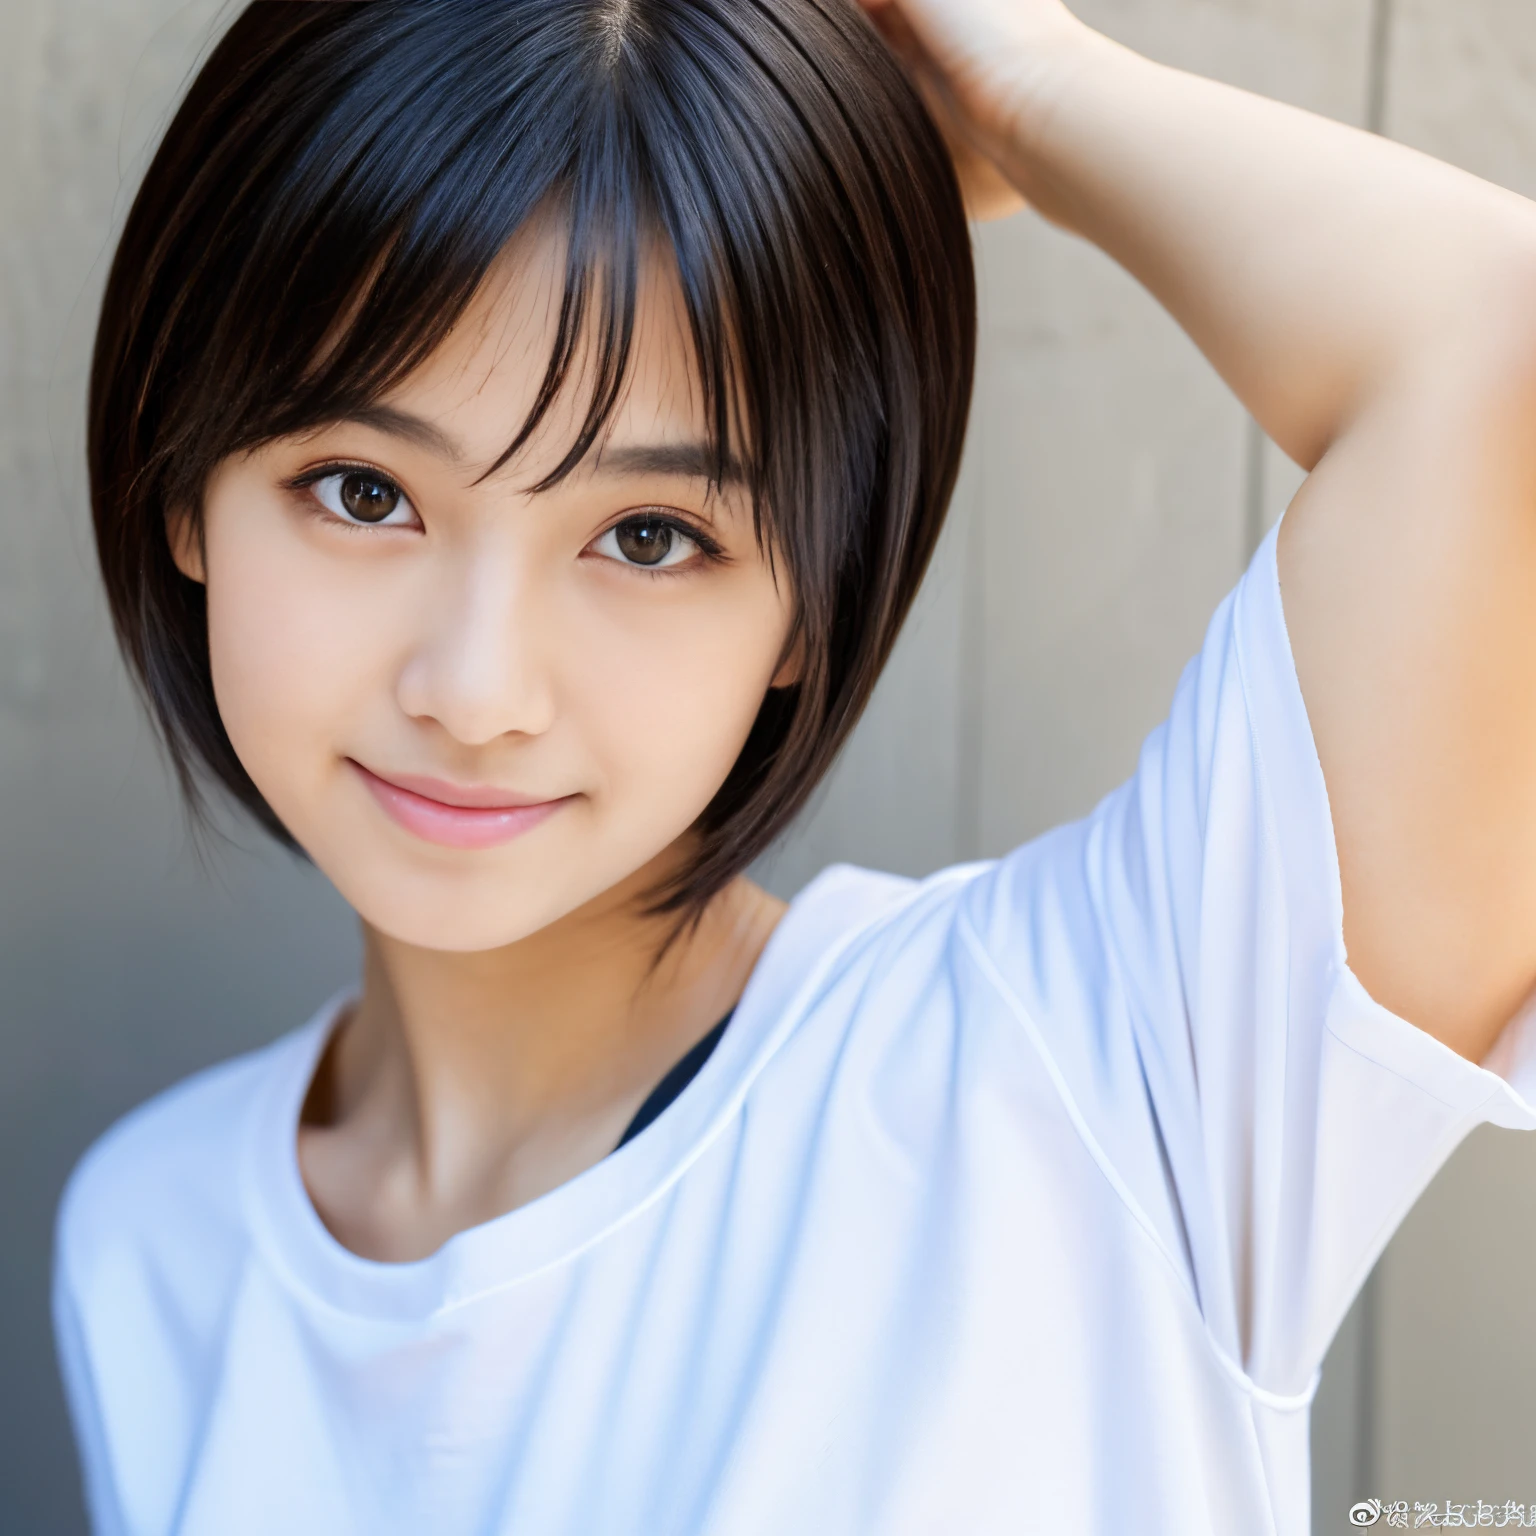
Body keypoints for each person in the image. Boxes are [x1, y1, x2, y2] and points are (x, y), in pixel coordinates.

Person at [52, 0, 1536, 1530]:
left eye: (648, 536)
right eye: (362, 492)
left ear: (804, 606)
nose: (476, 690)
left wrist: (1032, 95)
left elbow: (1506, 347)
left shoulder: (1101, 1075)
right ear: (186, 486)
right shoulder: (152, 1241)